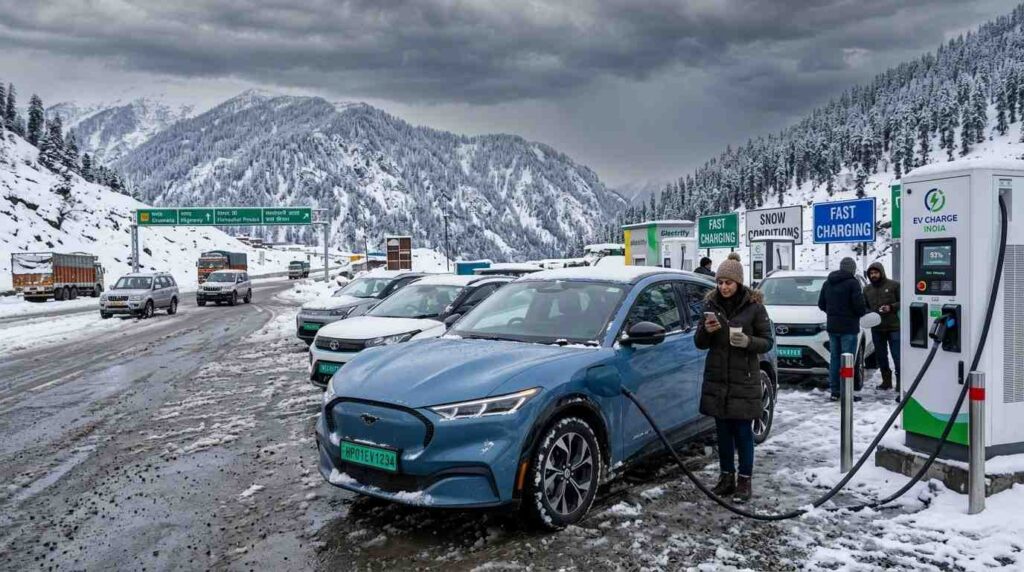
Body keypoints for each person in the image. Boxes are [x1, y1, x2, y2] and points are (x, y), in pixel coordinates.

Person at [695, 252, 774, 503]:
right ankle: (726, 477)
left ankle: (744, 481)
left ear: (738, 282)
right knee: (723, 433)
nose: (723, 287)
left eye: (728, 282)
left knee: (743, 432)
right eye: (720, 282)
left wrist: (748, 341)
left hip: (744, 379)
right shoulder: (710, 306)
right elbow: (699, 343)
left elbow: (767, 342)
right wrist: (707, 331)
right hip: (718, 378)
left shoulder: (754, 308)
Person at [817, 257, 867, 401]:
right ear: (852, 268)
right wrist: (860, 312)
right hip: (849, 328)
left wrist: (832, 313)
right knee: (848, 360)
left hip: (832, 327)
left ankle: (835, 391)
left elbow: (821, 304)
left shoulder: (828, 282)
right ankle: (847, 392)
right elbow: (859, 307)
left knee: (834, 359)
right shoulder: (853, 283)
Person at [863, 261, 900, 391]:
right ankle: (886, 381)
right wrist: (869, 313)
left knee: (897, 356)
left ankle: (900, 383)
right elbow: (864, 307)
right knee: (881, 356)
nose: (873, 275)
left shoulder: (894, 285)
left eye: (875, 272)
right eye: (871, 273)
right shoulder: (867, 289)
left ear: (881, 272)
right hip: (877, 328)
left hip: (894, 327)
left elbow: (903, 301)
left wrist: (890, 307)